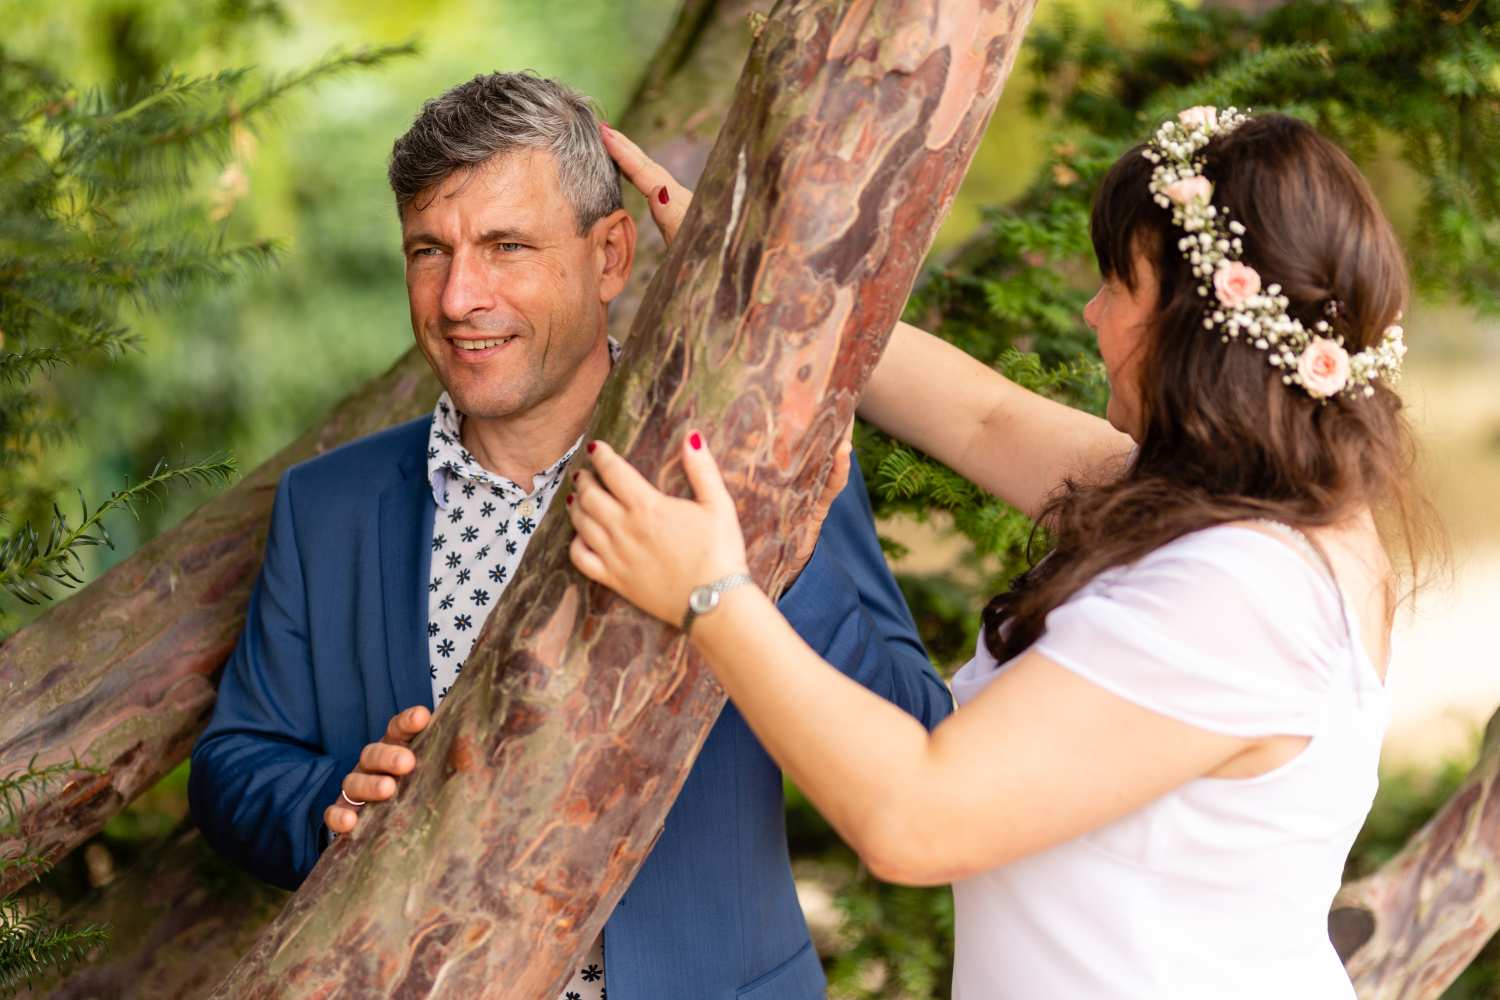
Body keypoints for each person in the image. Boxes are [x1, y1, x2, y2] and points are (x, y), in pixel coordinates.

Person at [578, 109, 1429, 998]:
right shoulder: (1270, 517)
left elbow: (913, 819)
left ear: (1190, 324)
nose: (1093, 314)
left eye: (1117, 286)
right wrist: (754, 279)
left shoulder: (1239, 589)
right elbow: (984, 418)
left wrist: (710, 594)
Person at [188, 71, 951, 1000]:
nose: (460, 295)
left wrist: (776, 548)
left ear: (611, 256)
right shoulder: (327, 505)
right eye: (430, 250)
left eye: (507, 246)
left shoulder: (751, 465)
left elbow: (916, 728)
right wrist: (330, 806)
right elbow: (235, 766)